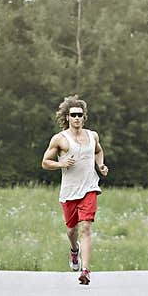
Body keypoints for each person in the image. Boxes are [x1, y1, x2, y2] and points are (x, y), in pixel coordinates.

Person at [41, 95, 108, 285]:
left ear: (84, 117)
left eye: (80, 114)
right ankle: (73, 250)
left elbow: (98, 151)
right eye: (73, 115)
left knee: (86, 227)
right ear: (67, 117)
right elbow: (45, 162)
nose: (77, 118)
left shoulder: (92, 135)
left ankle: (86, 271)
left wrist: (101, 166)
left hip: (89, 187)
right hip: (69, 191)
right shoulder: (60, 139)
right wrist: (61, 163)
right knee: (72, 230)